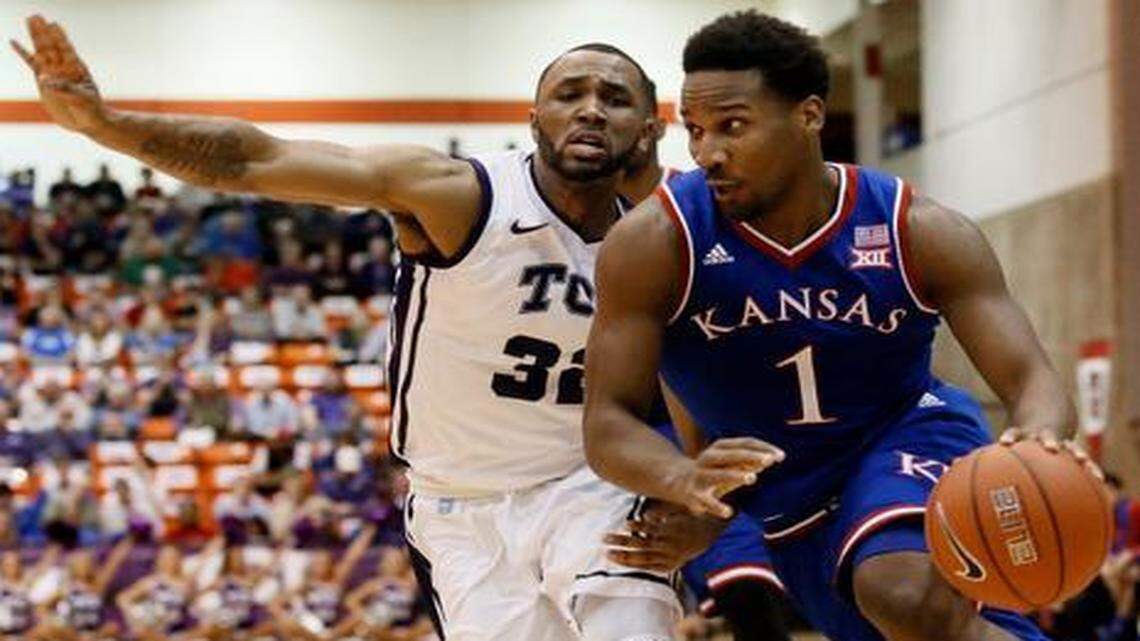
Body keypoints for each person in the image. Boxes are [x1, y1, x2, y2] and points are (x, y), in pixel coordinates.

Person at [13, 17, 676, 640]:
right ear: (534, 119)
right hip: (463, 500)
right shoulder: (461, 195)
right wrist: (106, 126)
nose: (591, 108)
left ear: (646, 127)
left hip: (595, 481)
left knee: (630, 619)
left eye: (614, 99)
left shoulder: (671, 229)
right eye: (570, 93)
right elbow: (258, 157)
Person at [583, 10, 1089, 641]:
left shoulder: (915, 229)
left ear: (810, 116)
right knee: (912, 623)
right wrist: (683, 479)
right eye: (695, 130)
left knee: (904, 595)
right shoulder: (655, 243)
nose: (708, 153)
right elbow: (607, 422)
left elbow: (1030, 376)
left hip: (907, 437)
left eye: (732, 127)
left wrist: (1037, 449)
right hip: (786, 502)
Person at [618, 104, 792, 641]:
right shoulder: (555, 212)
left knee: (750, 590)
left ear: (652, 129)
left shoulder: (709, 204)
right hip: (613, 429)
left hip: (715, 413)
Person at [116, 544, 195, 641]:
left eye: (172, 557)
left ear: (178, 559)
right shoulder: (152, 581)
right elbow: (122, 598)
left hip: (176, 627)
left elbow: (189, 603)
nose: (168, 561)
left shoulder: (186, 582)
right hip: (153, 626)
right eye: (164, 557)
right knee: (142, 632)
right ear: (159, 560)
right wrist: (133, 619)